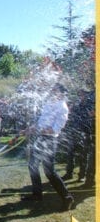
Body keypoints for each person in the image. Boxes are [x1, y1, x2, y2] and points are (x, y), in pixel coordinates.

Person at [21, 83, 74, 211]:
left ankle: (67, 197)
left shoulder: (63, 108)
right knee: (32, 165)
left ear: (61, 93)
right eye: (52, 90)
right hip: (41, 139)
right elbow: (41, 121)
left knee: (49, 172)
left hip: (49, 141)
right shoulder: (49, 104)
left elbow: (55, 129)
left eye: (55, 90)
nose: (52, 92)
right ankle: (37, 194)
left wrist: (38, 130)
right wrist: (29, 129)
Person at [62, 90, 90, 182]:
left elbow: (89, 117)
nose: (80, 96)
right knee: (70, 154)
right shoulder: (76, 105)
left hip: (84, 132)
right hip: (73, 132)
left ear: (86, 95)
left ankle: (82, 175)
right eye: (79, 94)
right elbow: (70, 114)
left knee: (83, 155)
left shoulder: (89, 105)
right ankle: (69, 173)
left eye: (82, 94)